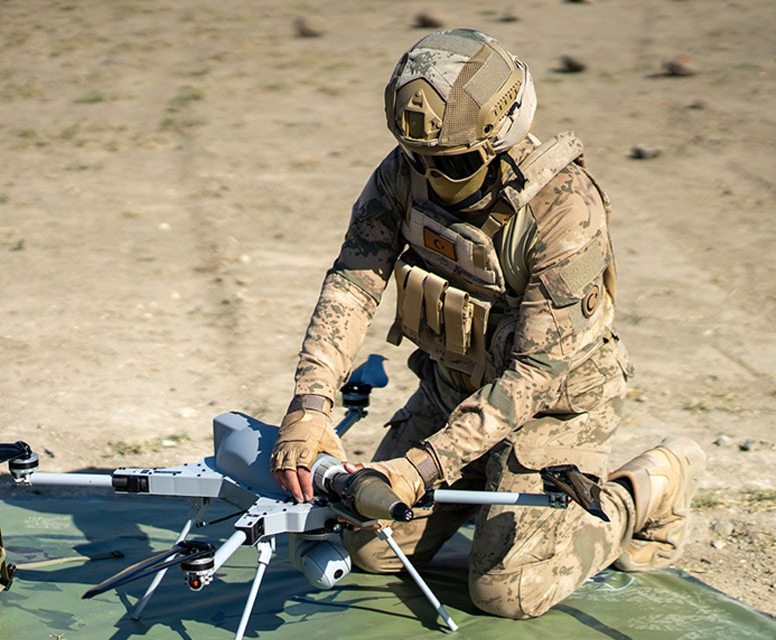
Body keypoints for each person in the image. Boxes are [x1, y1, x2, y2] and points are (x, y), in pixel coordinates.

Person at [270, 28, 705, 619]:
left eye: (449, 162)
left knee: (508, 593)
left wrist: (420, 468)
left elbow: (533, 374)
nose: (429, 173)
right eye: (419, 157)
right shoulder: (405, 172)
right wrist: (310, 406)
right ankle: (489, 494)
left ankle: (646, 488)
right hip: (453, 389)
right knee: (368, 543)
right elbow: (353, 281)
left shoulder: (564, 208)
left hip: (551, 410)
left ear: (503, 134)